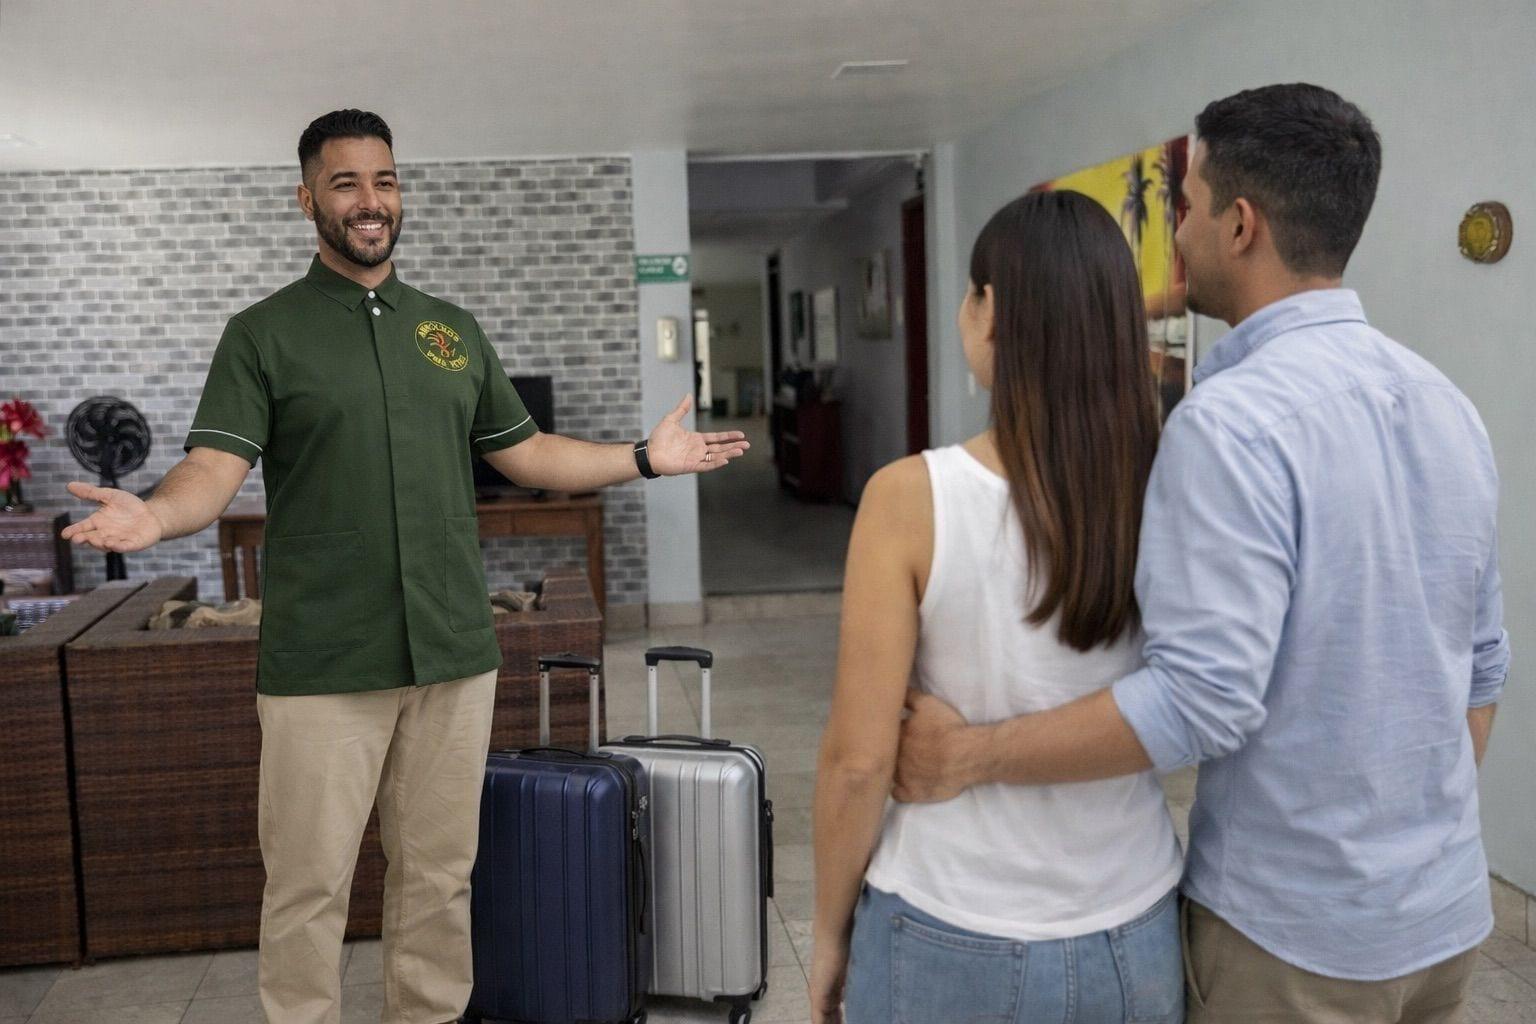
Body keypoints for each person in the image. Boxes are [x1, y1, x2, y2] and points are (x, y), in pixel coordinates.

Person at [61, 108, 748, 1024]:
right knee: (308, 888)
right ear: (307, 199)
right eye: (345, 183)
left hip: (452, 651)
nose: (369, 199)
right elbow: (213, 470)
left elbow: (529, 452)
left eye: (383, 180)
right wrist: (156, 512)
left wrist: (643, 457)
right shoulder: (263, 334)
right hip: (322, 662)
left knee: (438, 880)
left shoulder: (450, 331)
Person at [893, 84, 1509, 1024]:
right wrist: (1402, 844)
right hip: (1444, 921)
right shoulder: (1445, 404)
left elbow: (1200, 701)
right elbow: (1483, 665)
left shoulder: (1231, 423)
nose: (1174, 232)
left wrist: (969, 755)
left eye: (1186, 206)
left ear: (1241, 225)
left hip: (1293, 944)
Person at [809, 189, 1185, 1024]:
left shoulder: (910, 498)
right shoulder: (1173, 479)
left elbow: (858, 762)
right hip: (1135, 928)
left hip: (948, 929)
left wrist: (830, 936)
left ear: (991, 313)